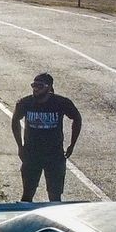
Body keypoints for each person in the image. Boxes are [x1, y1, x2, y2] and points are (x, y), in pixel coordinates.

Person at [10, 72, 83, 201]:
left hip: (54, 155)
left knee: (55, 196)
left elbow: (77, 118)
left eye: (39, 86)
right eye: (33, 85)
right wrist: (20, 146)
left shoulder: (61, 102)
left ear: (49, 88)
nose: (35, 89)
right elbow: (15, 120)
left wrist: (72, 144)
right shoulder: (25, 103)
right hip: (31, 154)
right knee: (27, 194)